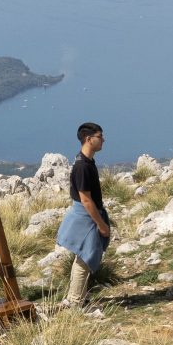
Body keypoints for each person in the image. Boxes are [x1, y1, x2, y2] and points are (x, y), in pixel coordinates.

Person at [55, 123, 113, 306]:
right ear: (89, 139)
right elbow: (86, 200)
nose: (103, 140)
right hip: (86, 218)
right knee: (85, 258)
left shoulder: (85, 162)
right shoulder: (83, 166)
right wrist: (101, 225)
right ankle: (75, 301)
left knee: (84, 257)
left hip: (86, 215)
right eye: (100, 136)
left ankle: (77, 298)